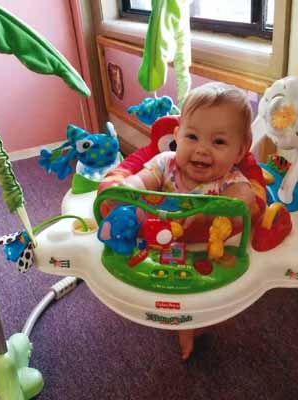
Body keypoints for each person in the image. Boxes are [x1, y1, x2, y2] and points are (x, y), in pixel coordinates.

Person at [123, 82, 256, 360]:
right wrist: (129, 188)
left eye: (218, 142)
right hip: (157, 244)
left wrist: (210, 213)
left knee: (199, 304)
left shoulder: (229, 179)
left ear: (241, 151)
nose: (202, 150)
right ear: (177, 135)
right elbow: (140, 181)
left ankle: (191, 329)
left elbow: (246, 202)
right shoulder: (165, 163)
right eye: (192, 136)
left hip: (202, 251)